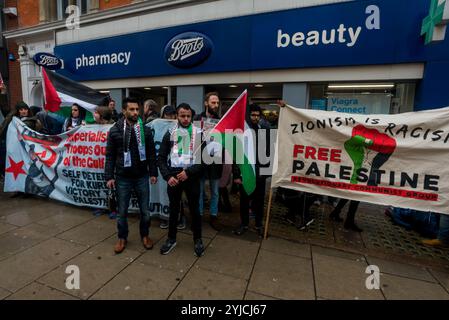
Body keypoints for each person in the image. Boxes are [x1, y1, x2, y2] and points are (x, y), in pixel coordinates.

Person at [105, 97, 158, 254]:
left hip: (141, 175)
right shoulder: (114, 130)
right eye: (132, 109)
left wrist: (153, 172)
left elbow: (151, 154)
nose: (135, 112)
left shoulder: (145, 130)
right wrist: (109, 176)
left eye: (137, 109)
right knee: (122, 212)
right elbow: (110, 156)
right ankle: (122, 238)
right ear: (124, 111)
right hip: (122, 177)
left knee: (145, 212)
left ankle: (145, 235)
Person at [158, 103, 205, 256]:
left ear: (192, 116)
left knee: (195, 210)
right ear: (177, 116)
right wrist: (167, 176)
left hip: (191, 177)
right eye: (182, 116)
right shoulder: (170, 132)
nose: (185, 119)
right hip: (174, 177)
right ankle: (171, 239)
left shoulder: (199, 133)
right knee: (173, 210)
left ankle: (198, 239)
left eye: (188, 116)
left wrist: (189, 172)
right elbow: (161, 158)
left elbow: (203, 160)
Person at [233, 104, 271, 238]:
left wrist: (267, 172)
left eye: (257, 115)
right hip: (246, 172)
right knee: (244, 200)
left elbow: (268, 152)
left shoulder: (264, 130)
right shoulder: (242, 132)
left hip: (260, 174)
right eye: (252, 115)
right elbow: (237, 154)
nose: (255, 117)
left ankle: (259, 224)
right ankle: (244, 224)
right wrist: (237, 175)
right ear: (248, 116)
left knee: (259, 201)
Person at [196, 92, 223, 231]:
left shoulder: (222, 120)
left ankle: (213, 216)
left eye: (217, 103)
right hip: (200, 160)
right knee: (199, 191)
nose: (216, 105)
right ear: (206, 103)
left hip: (215, 161)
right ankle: (199, 216)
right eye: (213, 102)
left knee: (215, 191)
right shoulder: (197, 118)